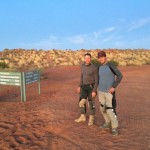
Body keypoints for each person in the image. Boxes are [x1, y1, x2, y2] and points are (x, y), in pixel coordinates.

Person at [97, 51, 123, 136]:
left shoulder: (111, 65)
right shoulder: (100, 67)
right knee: (102, 109)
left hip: (109, 93)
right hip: (101, 91)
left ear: (105, 57)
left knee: (110, 110)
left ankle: (114, 128)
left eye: (102, 57)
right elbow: (99, 79)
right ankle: (107, 123)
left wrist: (113, 86)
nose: (101, 58)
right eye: (99, 57)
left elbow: (120, 75)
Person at [75, 53, 99, 126]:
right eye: (86, 58)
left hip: (91, 87)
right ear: (84, 59)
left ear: (90, 58)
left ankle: (91, 119)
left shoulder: (94, 67)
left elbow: (97, 79)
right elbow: (82, 76)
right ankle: (83, 117)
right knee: (81, 102)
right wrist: (79, 86)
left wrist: (94, 90)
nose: (87, 59)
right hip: (83, 87)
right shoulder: (82, 66)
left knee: (91, 103)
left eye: (88, 58)